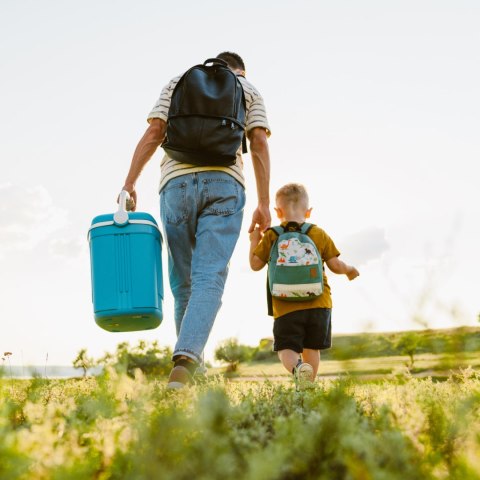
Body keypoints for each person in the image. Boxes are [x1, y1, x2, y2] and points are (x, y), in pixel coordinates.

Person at [121, 52, 271, 388]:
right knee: (209, 278)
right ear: (240, 71)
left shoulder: (177, 83)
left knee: (184, 284)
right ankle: (186, 361)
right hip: (225, 184)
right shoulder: (247, 88)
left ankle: (190, 369)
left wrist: (129, 182)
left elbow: (154, 133)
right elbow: (258, 142)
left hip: (175, 186)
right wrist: (263, 202)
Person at [249, 183, 359, 388]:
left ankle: (298, 371)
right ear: (308, 211)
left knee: (286, 348)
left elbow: (255, 265)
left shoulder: (272, 235)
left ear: (277, 211)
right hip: (319, 303)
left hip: (285, 305)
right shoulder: (318, 234)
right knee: (312, 348)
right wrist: (350, 269)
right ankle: (308, 386)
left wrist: (254, 240)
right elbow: (335, 265)